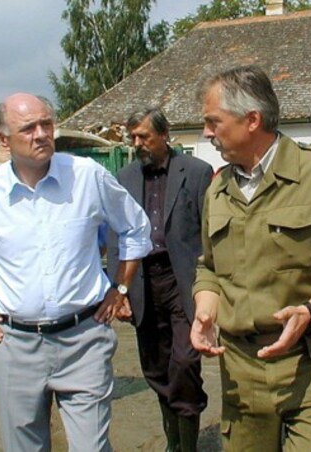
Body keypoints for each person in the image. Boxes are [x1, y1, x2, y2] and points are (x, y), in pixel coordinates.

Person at [0, 93, 152, 451]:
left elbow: (135, 227)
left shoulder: (87, 177)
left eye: (46, 124)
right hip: (14, 344)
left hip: (84, 339)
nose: (41, 134)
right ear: (3, 140)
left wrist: (120, 288)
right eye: (28, 128)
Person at [190, 66, 311, 451]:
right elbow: (208, 267)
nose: (207, 133)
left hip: (310, 364)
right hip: (240, 369)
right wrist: (204, 311)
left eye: (213, 122)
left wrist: (310, 310)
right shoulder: (217, 190)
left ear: (252, 120)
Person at [108, 108, 212, 451]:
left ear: (165, 135)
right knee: (155, 369)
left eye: (144, 137)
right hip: (143, 281)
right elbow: (115, 236)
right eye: (133, 138)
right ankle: (174, 443)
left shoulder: (196, 173)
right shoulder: (124, 178)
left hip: (183, 280)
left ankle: (188, 445)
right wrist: (117, 290)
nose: (138, 144)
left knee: (184, 363)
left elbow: (208, 232)